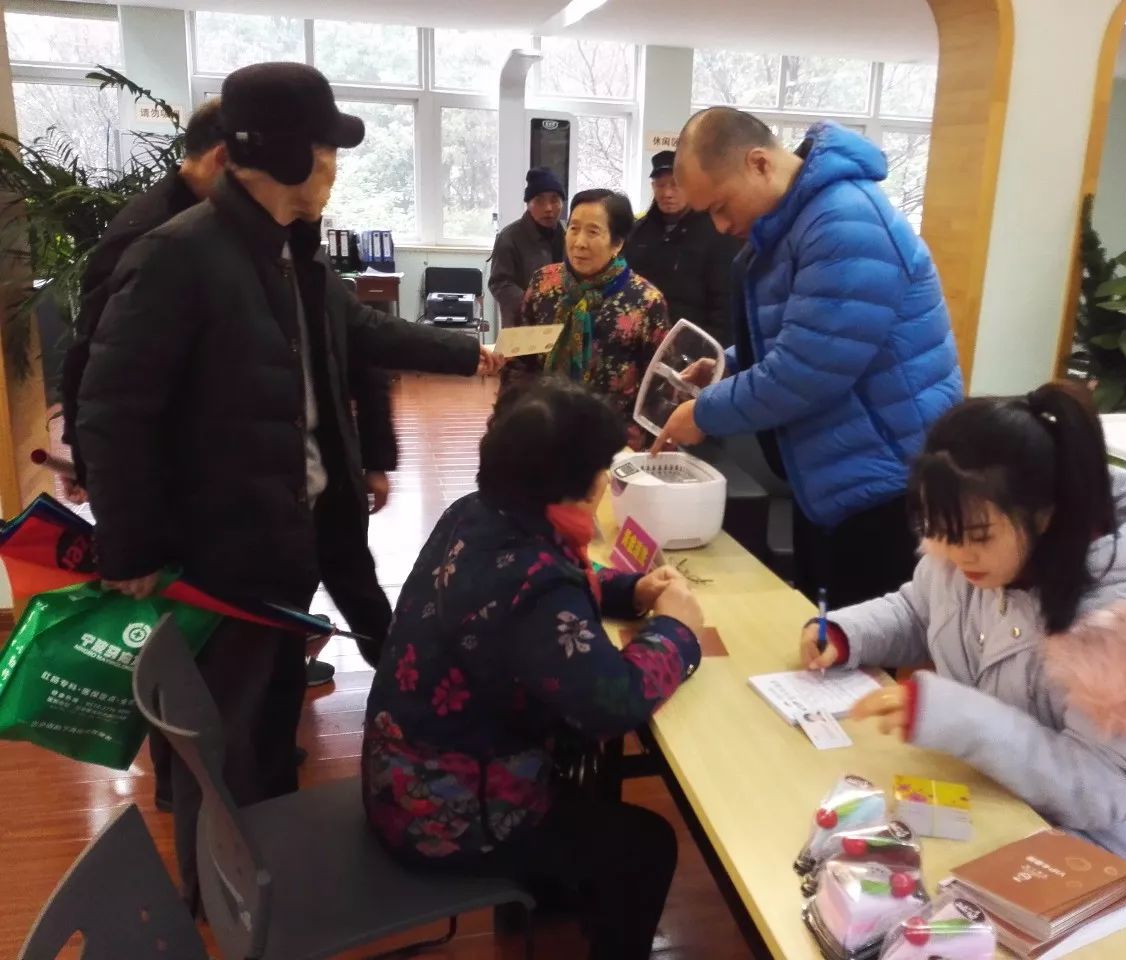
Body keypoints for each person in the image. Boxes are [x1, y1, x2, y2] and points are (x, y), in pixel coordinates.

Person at [76, 61, 502, 908]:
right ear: (280, 153)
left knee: (271, 721)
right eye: (325, 149)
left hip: (293, 532)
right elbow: (111, 410)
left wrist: (471, 354)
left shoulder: (290, 253)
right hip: (219, 550)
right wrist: (129, 549)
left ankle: (264, 883)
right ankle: (219, 902)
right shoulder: (180, 255)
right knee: (220, 738)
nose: (335, 167)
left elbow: (363, 331)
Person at [802, 382, 1126, 948]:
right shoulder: (972, 548)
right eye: (938, 531)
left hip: (1113, 884)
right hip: (997, 821)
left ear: (1047, 514)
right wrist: (846, 633)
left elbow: (1098, 790)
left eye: (976, 537)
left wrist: (956, 718)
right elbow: (919, 608)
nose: (954, 553)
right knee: (851, 896)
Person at [363, 379, 703, 960]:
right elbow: (613, 704)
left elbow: (550, 589)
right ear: (578, 484)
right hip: (441, 813)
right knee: (646, 848)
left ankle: (551, 891)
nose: (608, 478)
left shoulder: (478, 514)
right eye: (604, 467)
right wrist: (679, 630)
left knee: (584, 789)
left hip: (403, 775)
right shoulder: (535, 582)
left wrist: (633, 591)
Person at [654, 108, 963, 608]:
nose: (721, 225)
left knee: (865, 640)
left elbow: (807, 370)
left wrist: (704, 412)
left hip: (887, 484)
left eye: (721, 206)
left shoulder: (845, 222)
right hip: (833, 476)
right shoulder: (796, 223)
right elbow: (797, 335)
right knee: (823, 629)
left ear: (759, 163)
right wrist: (728, 365)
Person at [503, 189, 670, 450]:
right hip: (544, 431)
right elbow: (518, 362)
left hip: (614, 442)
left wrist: (643, 443)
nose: (579, 242)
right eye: (574, 228)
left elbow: (659, 387)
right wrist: (508, 421)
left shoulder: (645, 300)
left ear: (617, 243)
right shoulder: (543, 284)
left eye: (593, 232)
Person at [623, 149, 738, 345]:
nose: (667, 193)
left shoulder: (716, 232)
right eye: (660, 185)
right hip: (640, 342)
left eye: (675, 184)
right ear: (653, 187)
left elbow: (725, 305)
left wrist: (708, 350)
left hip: (694, 346)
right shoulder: (638, 232)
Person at [488, 167, 567, 326]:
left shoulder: (569, 234)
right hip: (523, 325)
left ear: (562, 203)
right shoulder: (509, 237)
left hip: (562, 323)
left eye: (554, 200)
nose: (548, 208)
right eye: (539, 201)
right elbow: (498, 283)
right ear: (528, 204)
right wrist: (528, 300)